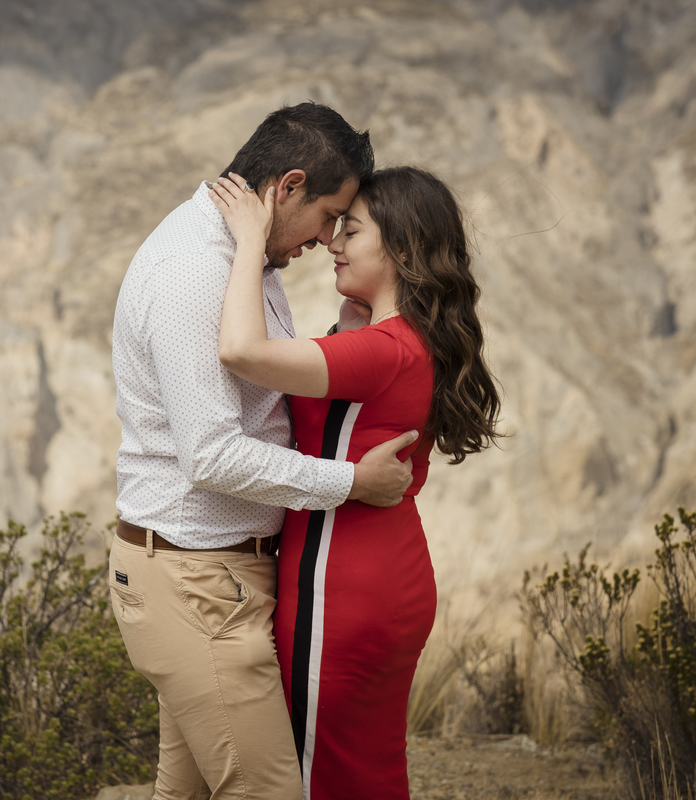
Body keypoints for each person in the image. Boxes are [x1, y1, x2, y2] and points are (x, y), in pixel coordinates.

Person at [109, 103, 418, 800]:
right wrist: (350, 482)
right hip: (196, 586)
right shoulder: (196, 272)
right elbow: (212, 455)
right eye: (328, 216)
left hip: (210, 578)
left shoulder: (244, 255)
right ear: (288, 187)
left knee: (182, 792)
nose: (327, 239)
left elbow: (261, 391)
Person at [209, 165, 502, 799]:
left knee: (322, 778)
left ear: (399, 249)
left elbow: (239, 351)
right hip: (379, 577)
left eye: (352, 230)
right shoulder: (396, 339)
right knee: (365, 772)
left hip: (339, 588)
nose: (334, 244)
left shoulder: (384, 348)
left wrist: (250, 240)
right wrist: (348, 322)